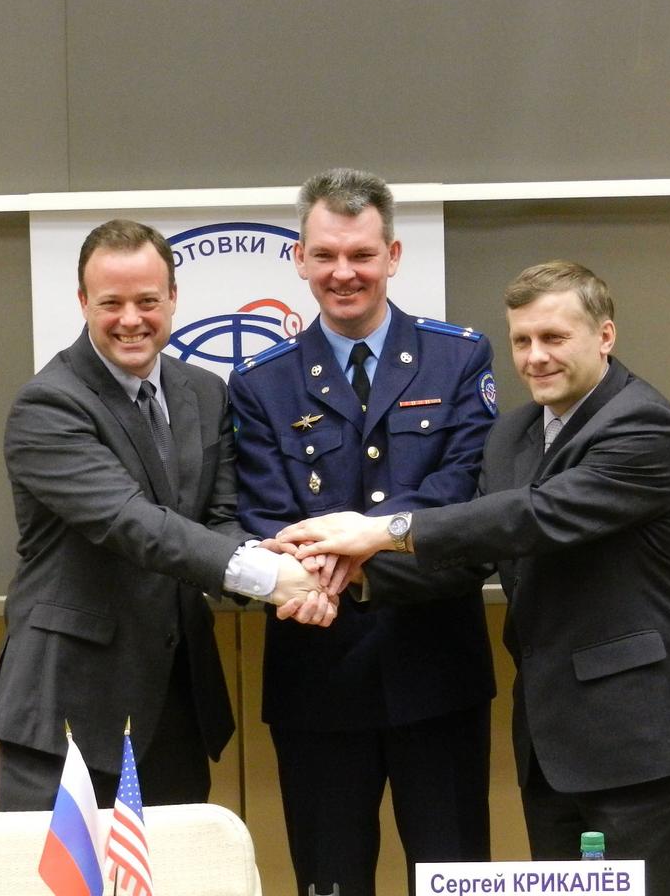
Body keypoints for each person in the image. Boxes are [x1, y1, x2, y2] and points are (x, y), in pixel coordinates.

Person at [280, 261, 670, 896]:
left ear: (605, 336)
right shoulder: (513, 433)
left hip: (639, 743)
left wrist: (382, 530)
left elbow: (534, 517)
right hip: (549, 745)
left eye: (554, 338)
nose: (535, 358)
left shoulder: (643, 425)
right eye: (521, 340)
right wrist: (349, 576)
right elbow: (469, 551)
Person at [0, 218, 335, 812]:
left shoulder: (205, 391)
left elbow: (219, 520)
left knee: (175, 861)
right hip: (69, 708)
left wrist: (291, 566)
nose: (131, 319)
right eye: (111, 303)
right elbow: (132, 524)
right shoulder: (49, 404)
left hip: (174, 701)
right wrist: (275, 578)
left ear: (173, 299)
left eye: (147, 301)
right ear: (83, 303)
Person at [228, 168, 498, 895]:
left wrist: (357, 556)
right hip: (317, 677)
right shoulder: (260, 382)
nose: (343, 273)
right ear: (300, 259)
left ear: (393, 255)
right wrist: (349, 558)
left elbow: (462, 503)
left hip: (437, 673)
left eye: (361, 255)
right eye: (325, 255)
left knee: (453, 880)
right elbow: (265, 516)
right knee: (330, 883)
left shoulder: (459, 358)